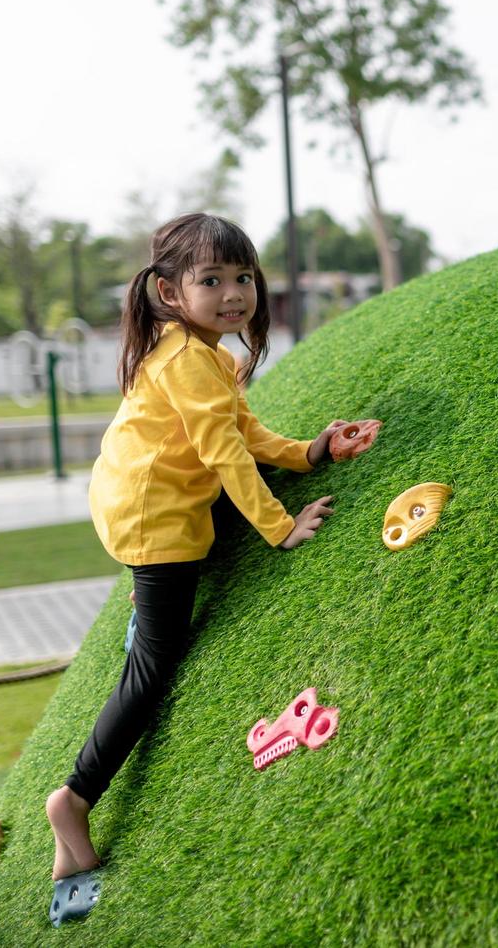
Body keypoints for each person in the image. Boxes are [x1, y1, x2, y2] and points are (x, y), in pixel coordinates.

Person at [45, 212, 369, 882]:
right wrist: (280, 527)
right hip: (153, 520)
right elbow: (224, 452)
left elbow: (244, 431)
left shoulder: (205, 354)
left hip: (145, 497)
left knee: (228, 500)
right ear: (170, 292)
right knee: (152, 668)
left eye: (243, 277)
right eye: (213, 280)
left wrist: (311, 452)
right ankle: (75, 798)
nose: (234, 294)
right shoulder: (189, 360)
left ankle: (150, 593)